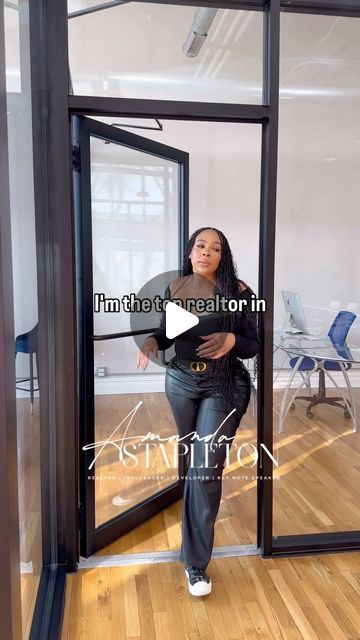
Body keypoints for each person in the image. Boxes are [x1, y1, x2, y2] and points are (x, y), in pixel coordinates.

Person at [136, 227, 259, 597]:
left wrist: (234, 339)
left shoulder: (238, 292)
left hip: (224, 387)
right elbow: (167, 333)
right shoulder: (176, 288)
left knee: (205, 469)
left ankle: (195, 565)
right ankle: (192, 528)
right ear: (190, 252)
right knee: (194, 461)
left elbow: (254, 344)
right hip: (181, 384)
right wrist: (150, 343)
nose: (207, 252)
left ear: (223, 256)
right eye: (201, 245)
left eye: (216, 248)